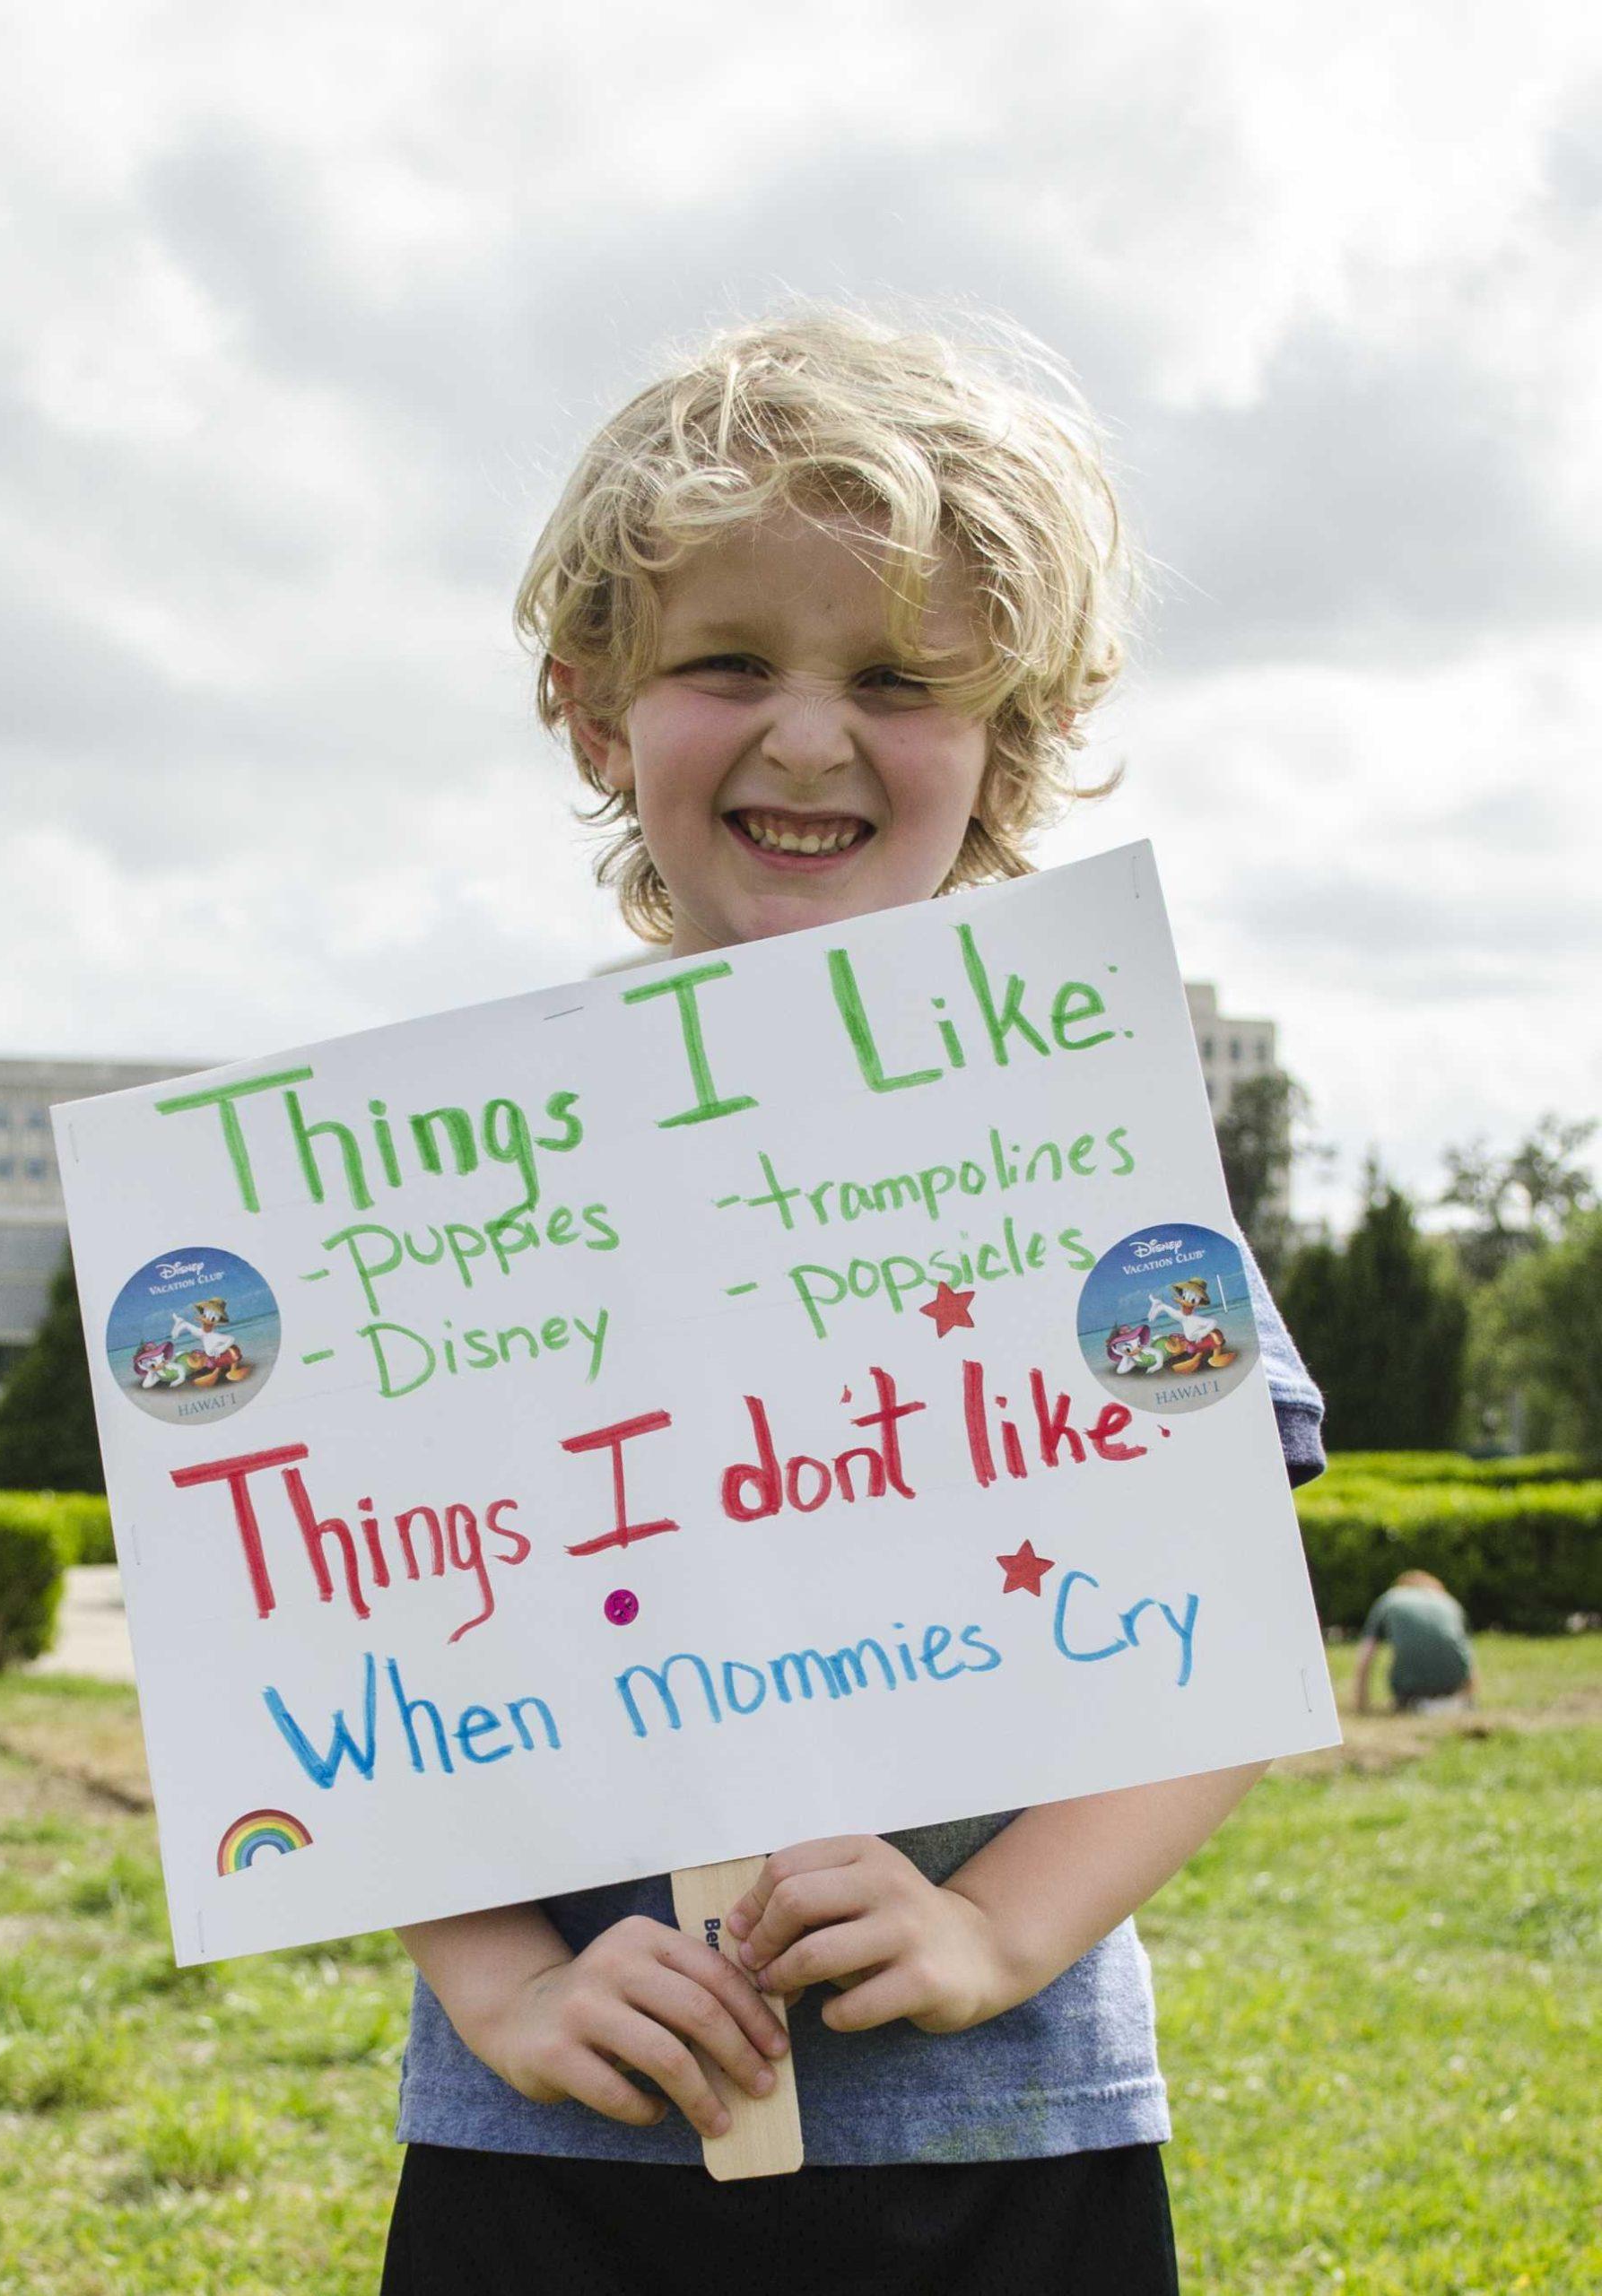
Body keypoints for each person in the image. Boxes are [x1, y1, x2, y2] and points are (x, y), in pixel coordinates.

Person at [381, 303, 1329, 2296]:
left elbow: (1234, 1604)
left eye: (899, 677)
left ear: (1011, 734)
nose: (809, 735)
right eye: (731, 661)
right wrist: (499, 1981)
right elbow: (350, 1620)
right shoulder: (442, 1175)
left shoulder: (1075, 1122)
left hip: (998, 2120)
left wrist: (997, 1930)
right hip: (560, 2124)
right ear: (590, 703)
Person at [1353, 1570, 1476, 1716]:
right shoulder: (1449, 1602)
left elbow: (1366, 1655)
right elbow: (1466, 1655)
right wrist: (1471, 1702)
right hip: (1454, 1694)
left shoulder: (1391, 1598)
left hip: (1410, 1697)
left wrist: (1361, 1705)